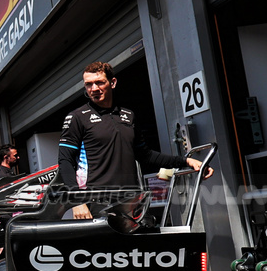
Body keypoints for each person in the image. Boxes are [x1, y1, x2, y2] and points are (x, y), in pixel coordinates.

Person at [57, 61, 208, 219]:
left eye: (99, 82)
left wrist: (185, 162)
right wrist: (76, 201)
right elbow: (65, 161)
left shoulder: (128, 116)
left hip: (132, 202)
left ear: (113, 83)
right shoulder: (77, 117)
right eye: (88, 84)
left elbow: (145, 155)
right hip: (96, 203)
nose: (94, 89)